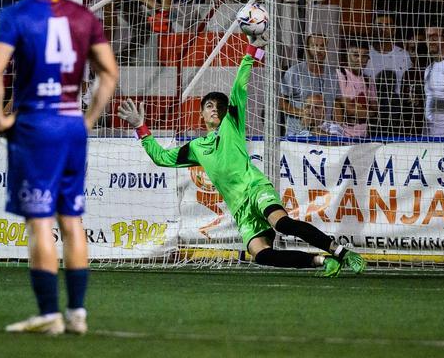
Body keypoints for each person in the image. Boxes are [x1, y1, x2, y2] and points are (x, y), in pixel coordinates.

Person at [118, 36, 365, 276]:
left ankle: (342, 252)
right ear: (202, 115)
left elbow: (239, 85)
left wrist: (251, 51)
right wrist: (142, 128)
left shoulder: (231, 124)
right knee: (261, 255)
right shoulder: (195, 147)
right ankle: (323, 261)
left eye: (218, 106)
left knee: (283, 224)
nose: (214, 109)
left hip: (255, 188)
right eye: (209, 106)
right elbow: (161, 158)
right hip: (240, 209)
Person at [0, 0, 118, 335]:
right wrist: (88, 118)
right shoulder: (82, 16)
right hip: (70, 123)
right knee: (72, 219)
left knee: (40, 222)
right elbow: (109, 72)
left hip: (35, 125)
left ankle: (48, 314)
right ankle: (77, 312)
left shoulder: (15, 15)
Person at [279, 33, 337, 137]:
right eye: (314, 45)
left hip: (326, 136)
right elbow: (280, 101)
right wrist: (302, 113)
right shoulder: (294, 72)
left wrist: (338, 127)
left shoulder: (333, 74)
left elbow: (337, 103)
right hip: (297, 136)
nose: (319, 50)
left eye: (322, 46)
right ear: (307, 48)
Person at [334, 42, 376, 138]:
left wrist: (352, 112)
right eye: (356, 55)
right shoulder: (339, 75)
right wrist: (364, 112)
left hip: (364, 137)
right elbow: (347, 109)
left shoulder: (368, 81)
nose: (360, 60)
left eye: (364, 56)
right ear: (347, 55)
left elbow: (375, 112)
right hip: (342, 137)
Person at [364, 13, 412, 93]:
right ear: (372, 28)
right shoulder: (364, 53)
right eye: (379, 25)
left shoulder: (404, 55)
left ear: (394, 30)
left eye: (387, 25)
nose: (383, 28)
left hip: (397, 103)